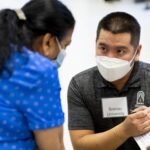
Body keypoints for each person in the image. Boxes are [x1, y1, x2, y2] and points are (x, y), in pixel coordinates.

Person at [67, 11, 150, 150]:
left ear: (138, 51)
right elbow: (80, 145)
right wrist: (125, 130)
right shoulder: (80, 85)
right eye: (103, 48)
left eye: (120, 51)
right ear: (95, 44)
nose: (109, 58)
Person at [0, 0, 75, 149]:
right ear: (48, 42)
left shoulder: (6, 56)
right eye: (65, 45)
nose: (63, 52)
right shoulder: (39, 70)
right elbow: (53, 146)